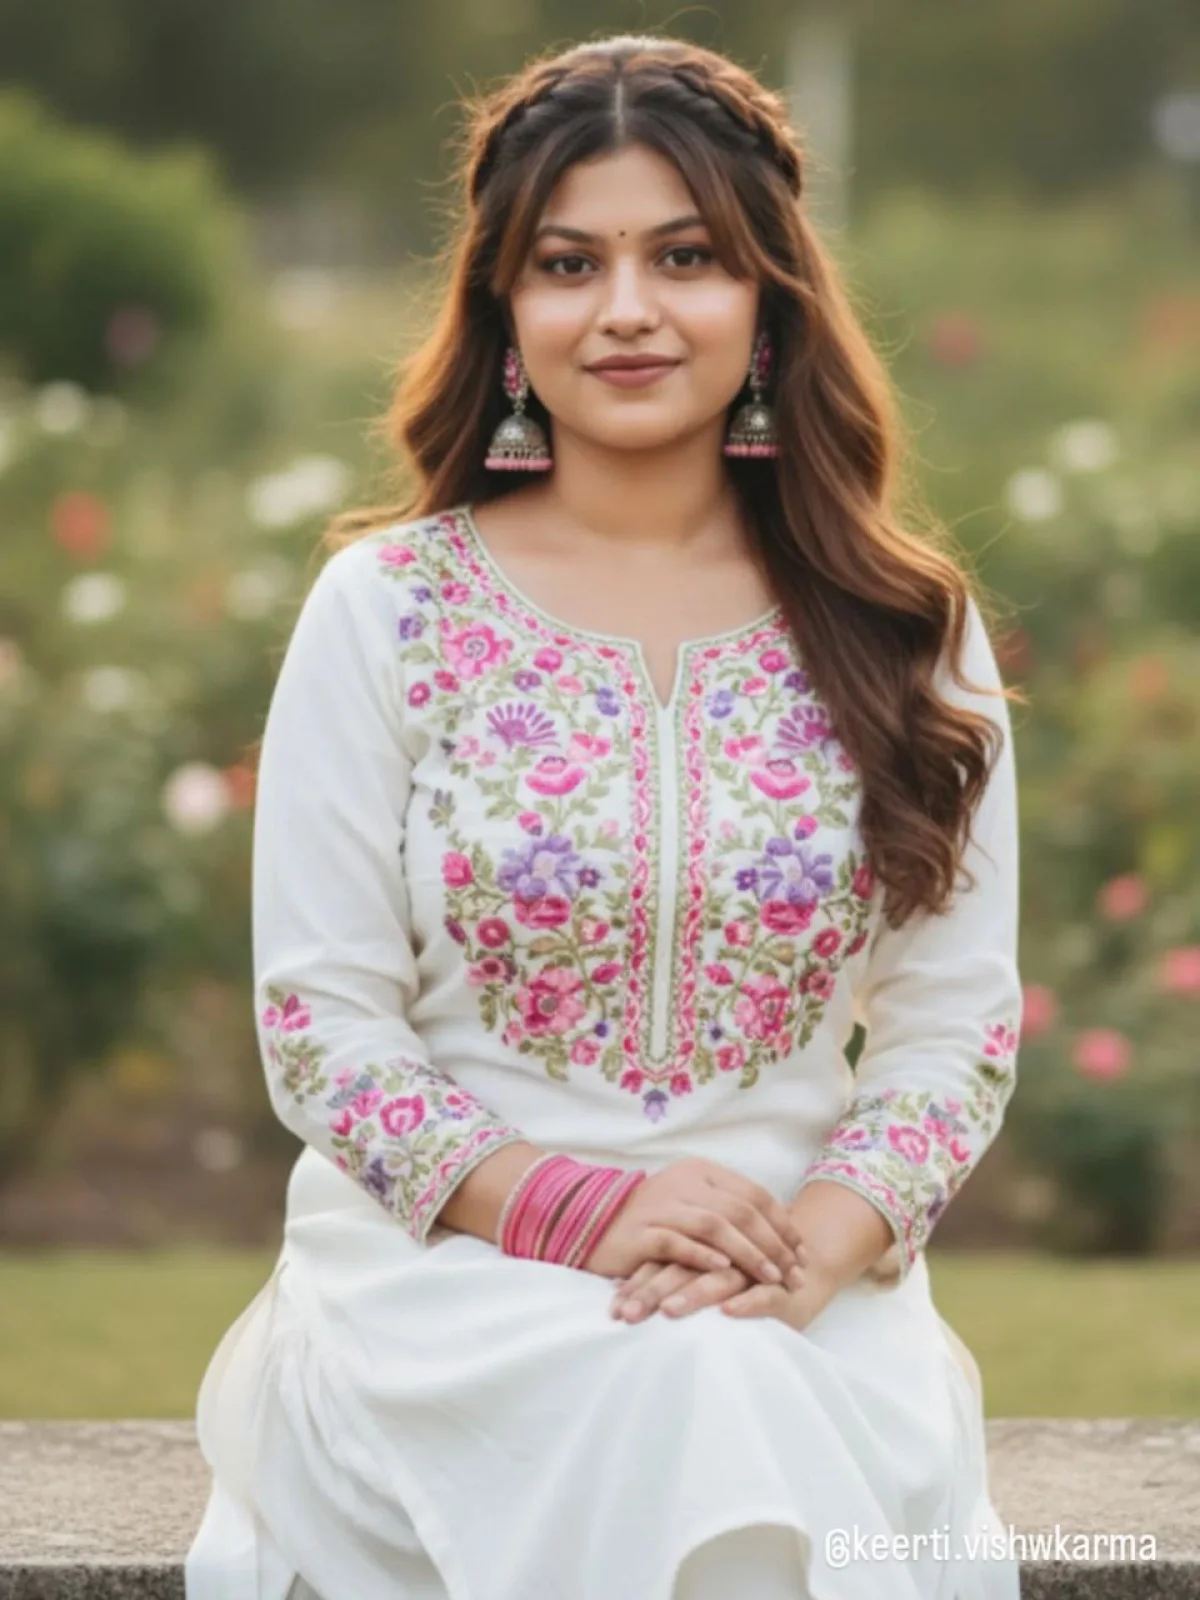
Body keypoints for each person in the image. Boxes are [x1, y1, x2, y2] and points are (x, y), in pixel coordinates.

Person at [185, 32, 1027, 1600]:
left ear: (768, 299)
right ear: (507, 312)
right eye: (570, 263)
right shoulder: (390, 609)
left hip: (802, 1286)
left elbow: (954, 1033)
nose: (628, 309)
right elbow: (323, 1028)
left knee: (722, 1387)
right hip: (452, 1283)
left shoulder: (905, 627)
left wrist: (806, 1260)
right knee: (677, 1394)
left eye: (686, 258)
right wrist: (591, 1210)